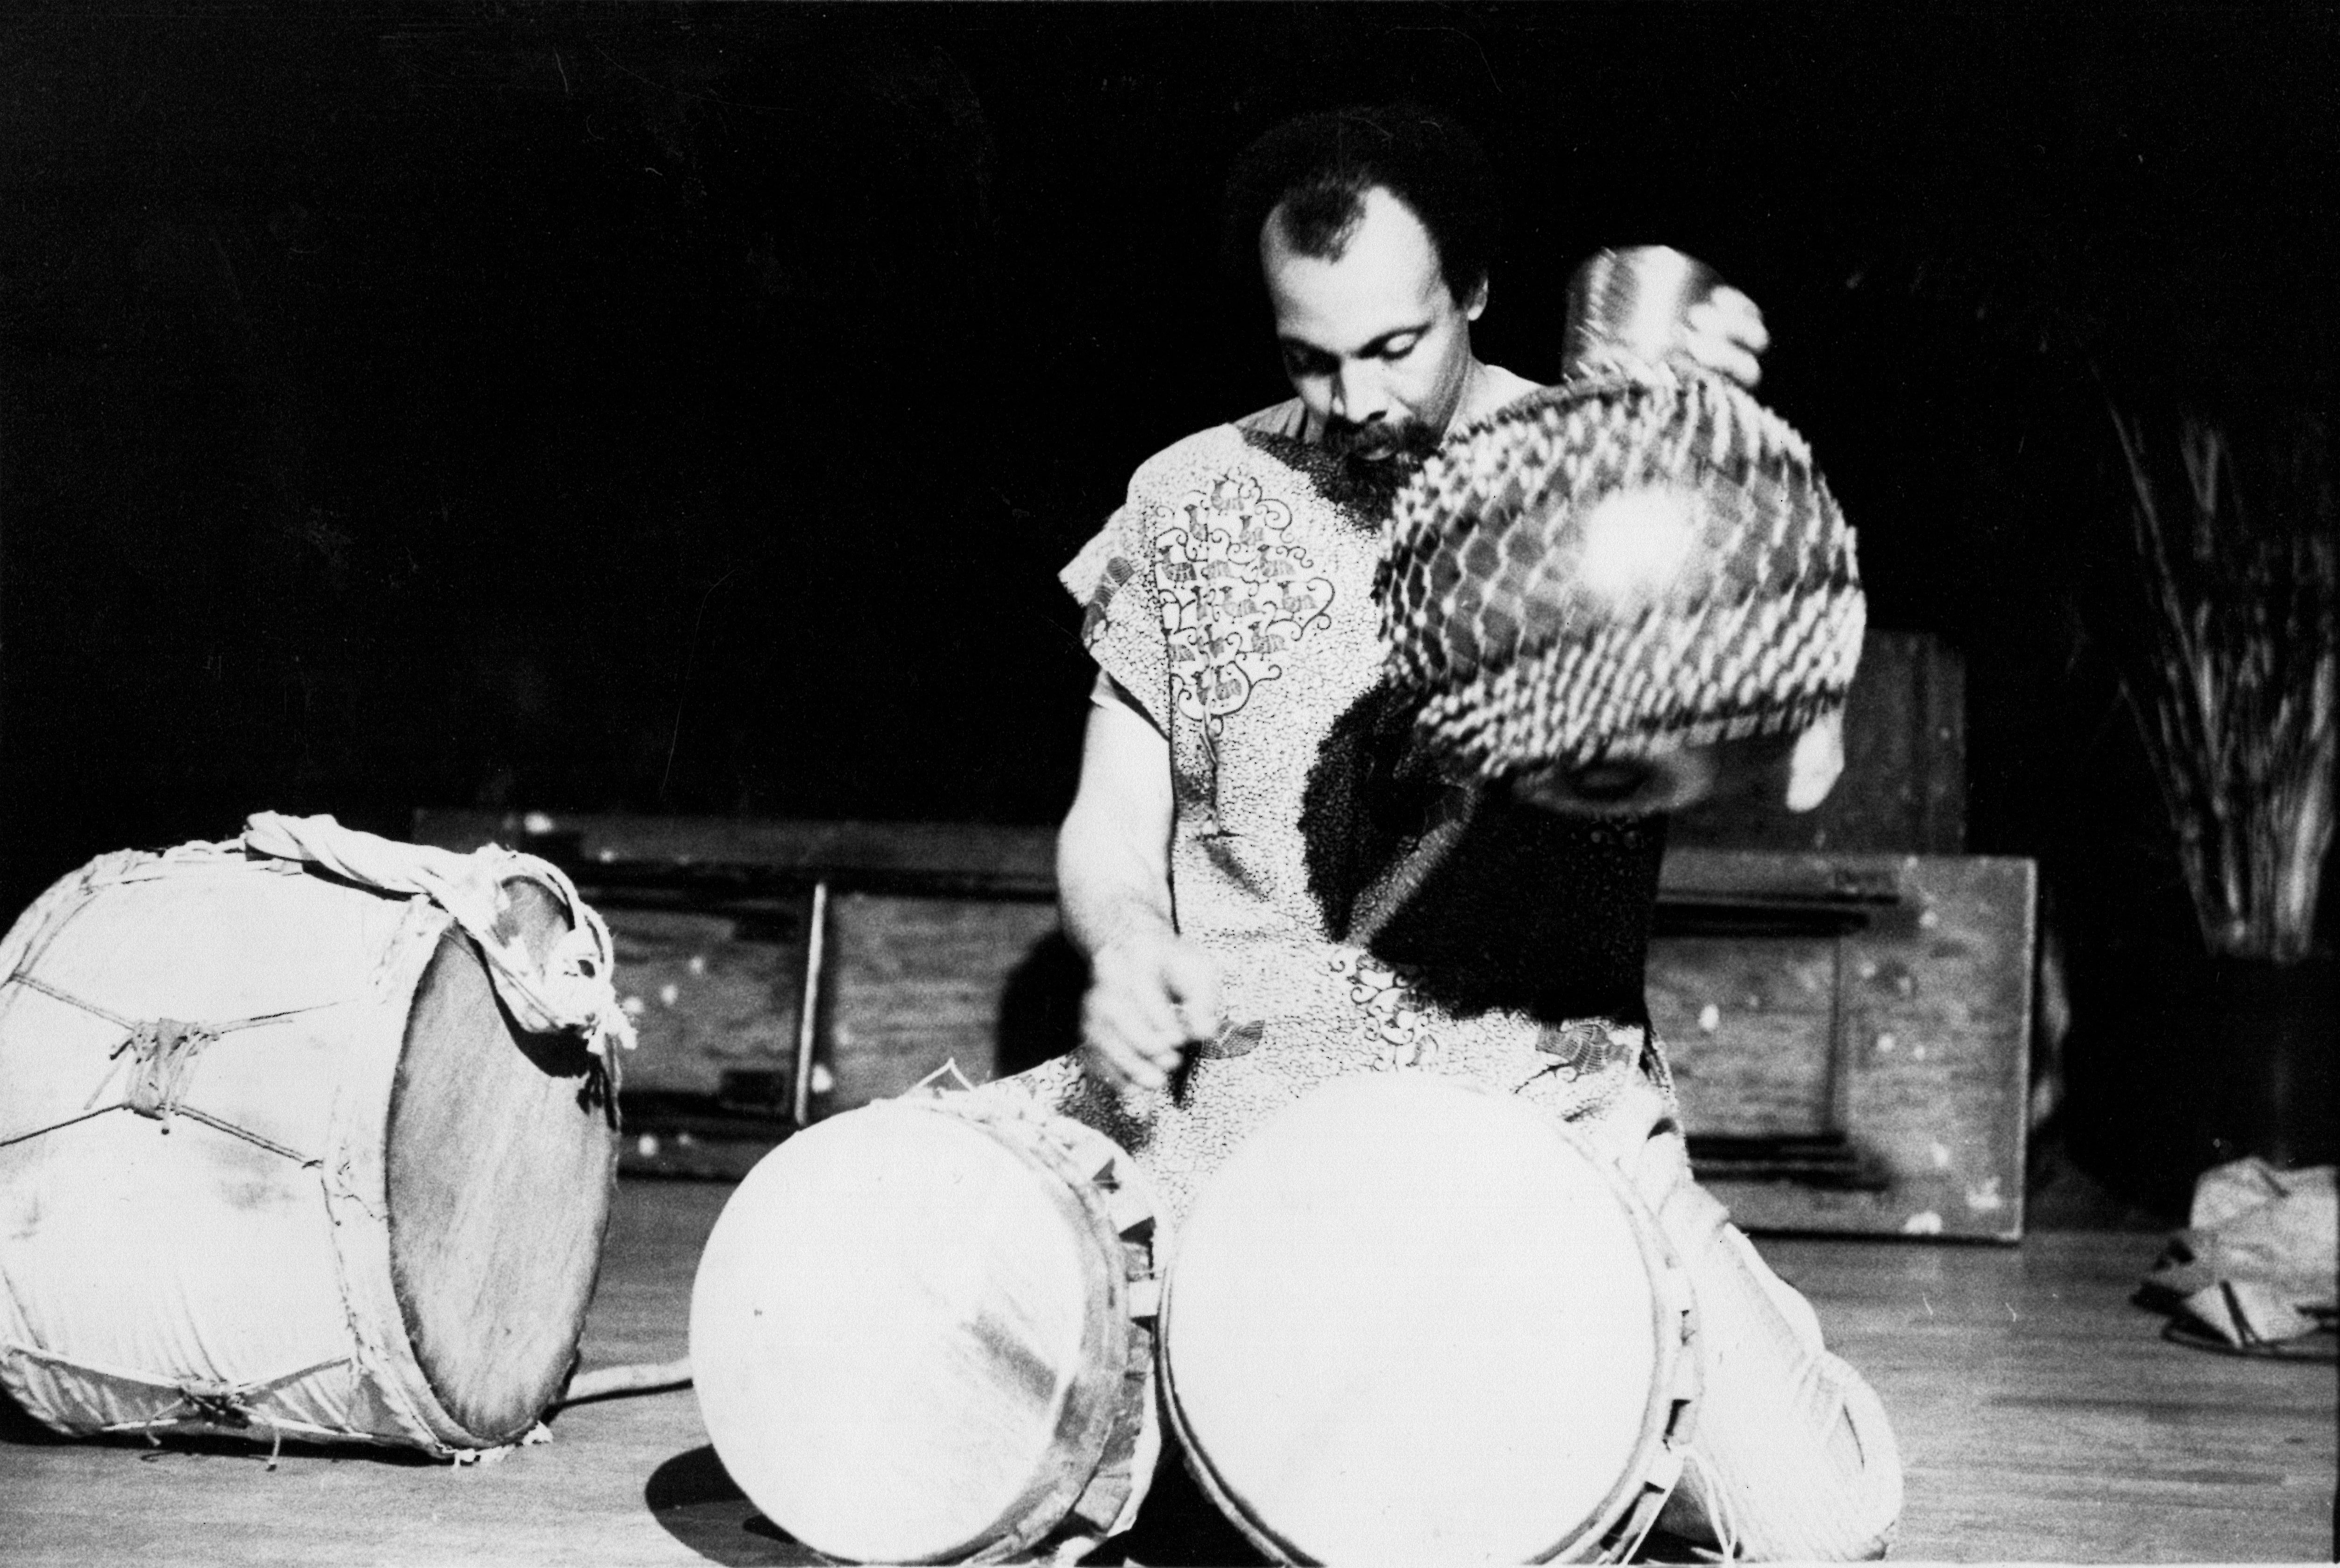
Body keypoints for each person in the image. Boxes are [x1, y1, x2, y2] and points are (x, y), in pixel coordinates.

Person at [988, 104, 1902, 1561]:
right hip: (1235, 1117)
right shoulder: (1185, 500)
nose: (1353, 399)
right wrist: (1123, 942)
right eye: (1309, 354)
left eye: (1394, 345)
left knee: (1815, 1521)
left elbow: (1795, 766)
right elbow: (1109, 827)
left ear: (1470, 291)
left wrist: (1728, 487)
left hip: (1534, 1121)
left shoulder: (1602, 473)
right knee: (919, 1344)